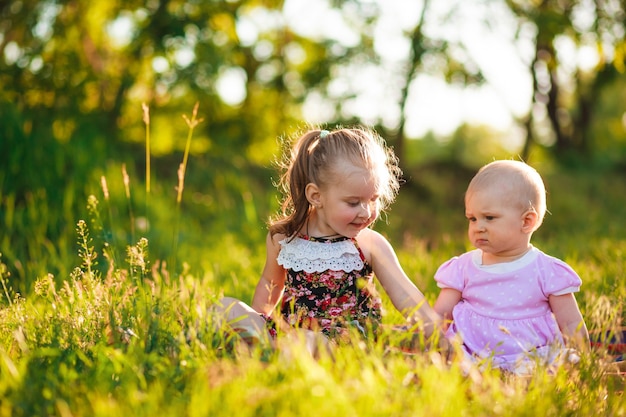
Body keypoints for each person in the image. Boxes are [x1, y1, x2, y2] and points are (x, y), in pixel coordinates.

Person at [216, 126, 443, 355]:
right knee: (223, 308)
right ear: (316, 196)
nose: (366, 212)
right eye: (353, 203)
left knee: (306, 341)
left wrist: (439, 336)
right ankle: (264, 349)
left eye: (373, 199)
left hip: (342, 342)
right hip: (291, 333)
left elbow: (406, 295)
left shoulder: (368, 244)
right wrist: (259, 323)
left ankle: (274, 358)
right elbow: (270, 283)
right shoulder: (284, 238)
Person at [433, 159, 589, 374]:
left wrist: (582, 359)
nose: (478, 227)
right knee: (450, 362)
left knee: (559, 364)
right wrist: (435, 344)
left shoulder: (547, 271)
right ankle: (476, 377)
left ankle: (520, 380)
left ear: (526, 222)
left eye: (489, 217)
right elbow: (439, 316)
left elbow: (571, 324)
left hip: (530, 353)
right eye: (472, 218)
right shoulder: (463, 267)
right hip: (472, 351)